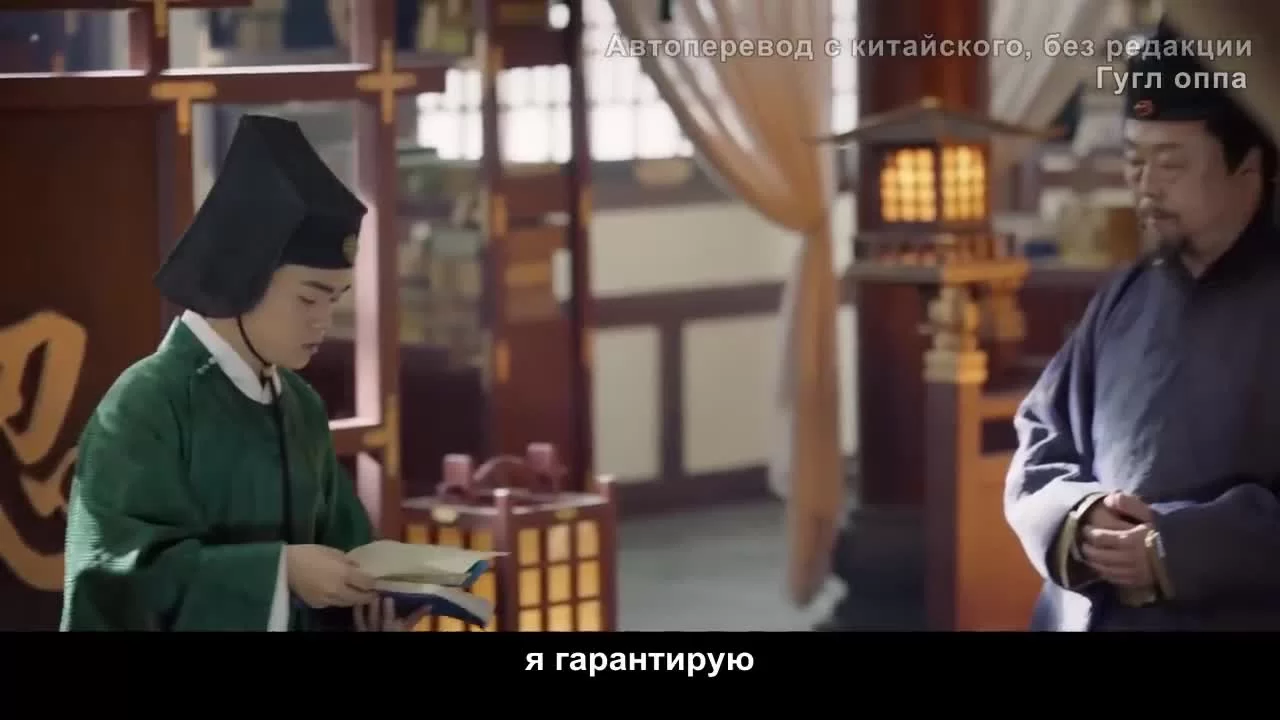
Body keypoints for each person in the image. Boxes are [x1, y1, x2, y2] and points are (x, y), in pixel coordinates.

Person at [61, 114, 403, 632]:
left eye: (334, 300)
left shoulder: (300, 405)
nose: (323, 321)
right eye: (308, 298)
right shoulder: (144, 404)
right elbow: (113, 576)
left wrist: (374, 600)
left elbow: (346, 547)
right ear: (243, 277)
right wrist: (279, 573)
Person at [1004, 18, 1280, 631]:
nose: (1145, 186)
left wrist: (1174, 548)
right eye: (1134, 161)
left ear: (1249, 167)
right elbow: (1041, 438)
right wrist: (1081, 518)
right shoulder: (1123, 297)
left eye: (1170, 163)